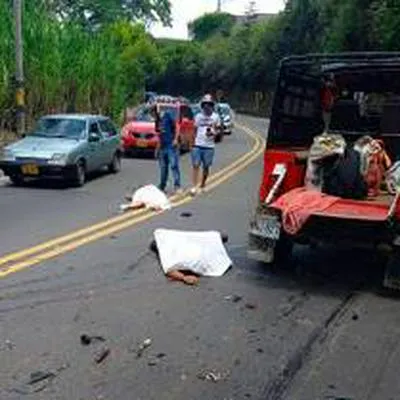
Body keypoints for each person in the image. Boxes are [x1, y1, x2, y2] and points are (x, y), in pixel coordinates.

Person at [190, 94, 221, 196]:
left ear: (212, 106)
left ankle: (203, 184)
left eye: (209, 104)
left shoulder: (215, 117)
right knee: (196, 165)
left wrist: (213, 133)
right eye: (205, 104)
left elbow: (219, 130)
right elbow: (194, 130)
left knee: (206, 166)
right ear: (202, 106)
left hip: (209, 146)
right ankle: (194, 186)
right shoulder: (198, 116)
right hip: (198, 144)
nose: (207, 107)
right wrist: (192, 143)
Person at [153, 103, 182, 194]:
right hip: (162, 146)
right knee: (163, 168)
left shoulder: (168, 115)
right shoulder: (157, 121)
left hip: (171, 145)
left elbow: (177, 126)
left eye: (154, 113)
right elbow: (159, 134)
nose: (153, 115)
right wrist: (157, 148)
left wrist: (176, 139)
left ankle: (177, 186)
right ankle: (162, 185)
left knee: (173, 165)